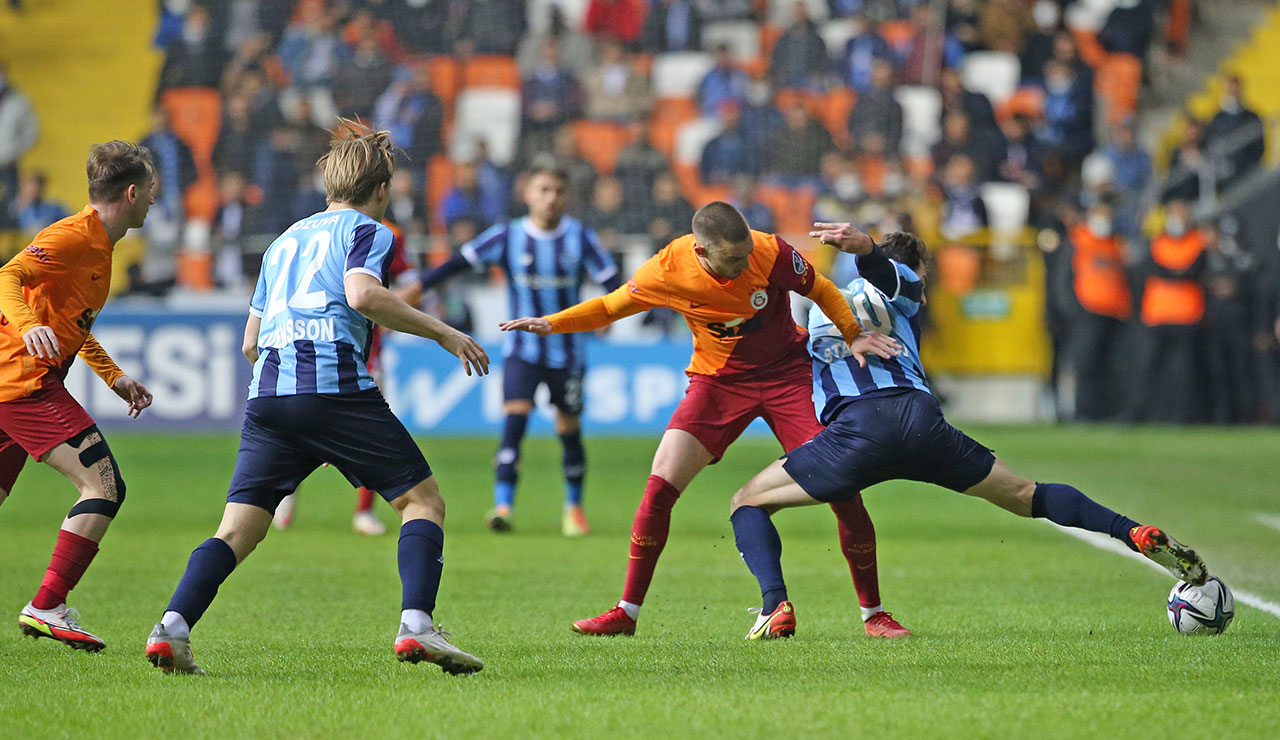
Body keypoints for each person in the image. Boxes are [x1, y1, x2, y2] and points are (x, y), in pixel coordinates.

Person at [725, 224, 1208, 639]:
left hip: (857, 433)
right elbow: (893, 280)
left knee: (748, 501)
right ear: (914, 271)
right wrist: (870, 249)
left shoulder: (817, 306)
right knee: (1024, 493)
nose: (922, 292)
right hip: (920, 422)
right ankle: (1131, 530)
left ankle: (775, 605)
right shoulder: (902, 288)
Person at [145, 120, 490, 676]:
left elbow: (250, 342)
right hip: (332, 384)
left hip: (269, 396)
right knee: (422, 502)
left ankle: (172, 627)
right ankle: (417, 627)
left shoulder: (282, 242)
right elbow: (363, 295)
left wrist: (302, 417)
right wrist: (444, 333)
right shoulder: (371, 231)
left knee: (237, 529)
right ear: (382, 189)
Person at [500, 202, 909, 638]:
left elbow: (821, 289)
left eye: (746, 253)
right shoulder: (668, 269)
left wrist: (852, 333)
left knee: (842, 486)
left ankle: (874, 615)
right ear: (701, 250)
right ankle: (626, 613)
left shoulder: (769, 251)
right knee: (659, 485)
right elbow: (609, 307)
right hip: (718, 383)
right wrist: (552, 324)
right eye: (732, 259)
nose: (744, 264)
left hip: (788, 377)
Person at [1, 141, 157, 651]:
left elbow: (71, 323)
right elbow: (7, 276)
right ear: (131, 193)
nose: (153, 200)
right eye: (150, 190)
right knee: (103, 485)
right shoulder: (72, 236)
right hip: (23, 382)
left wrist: (113, 377)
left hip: (13, 381)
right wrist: (28, 327)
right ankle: (47, 606)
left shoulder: (100, 245)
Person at [416, 163, 621, 536]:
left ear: (566, 197)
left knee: (568, 428)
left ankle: (574, 508)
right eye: (543, 189)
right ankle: (503, 506)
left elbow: (614, 283)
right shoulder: (508, 236)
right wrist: (417, 289)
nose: (551, 198)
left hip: (568, 353)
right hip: (521, 350)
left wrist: (610, 312)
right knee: (515, 420)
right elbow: (457, 264)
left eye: (558, 191)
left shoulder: (580, 237)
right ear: (527, 194)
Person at [1067, 201, 1132, 421]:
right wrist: (1072, 309)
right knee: (1087, 364)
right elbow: (1065, 277)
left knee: (1110, 366)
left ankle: (1106, 412)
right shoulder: (1078, 240)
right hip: (1088, 311)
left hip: (1114, 313)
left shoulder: (1114, 244)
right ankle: (1084, 413)